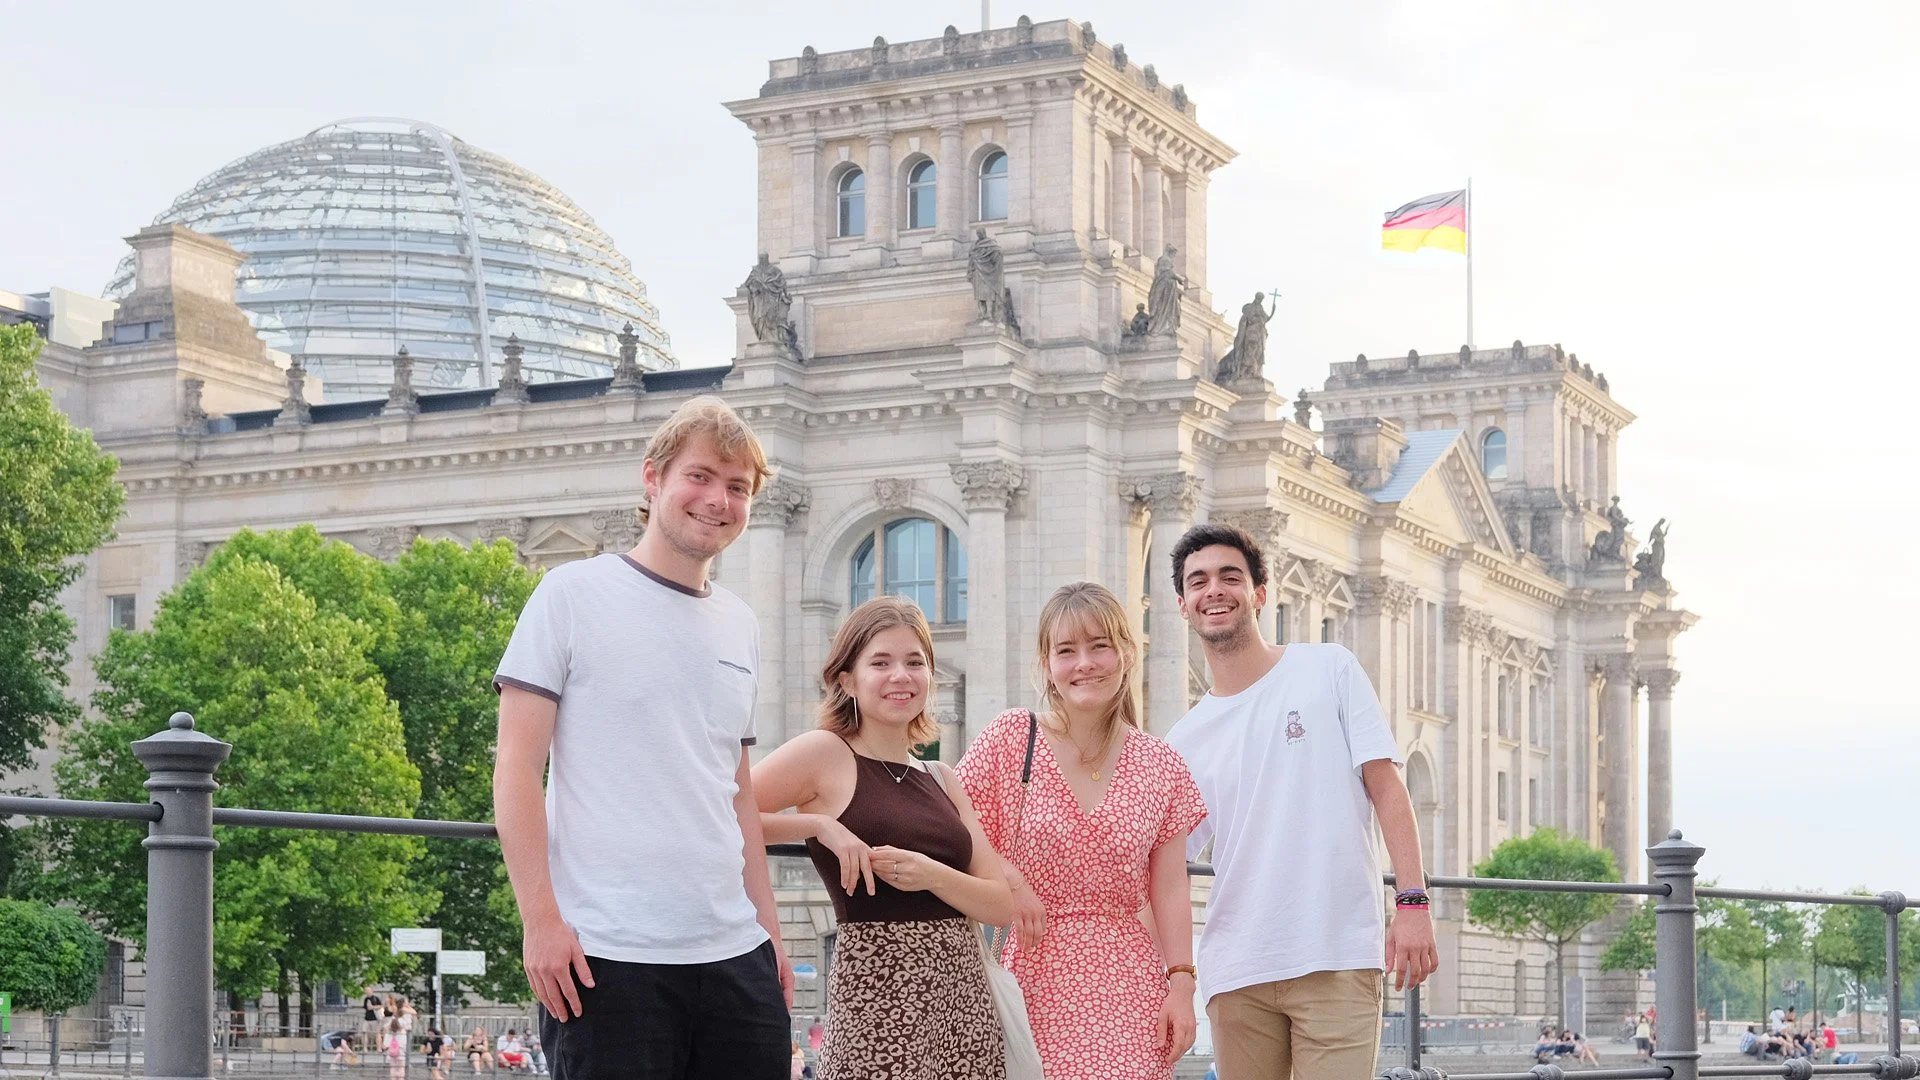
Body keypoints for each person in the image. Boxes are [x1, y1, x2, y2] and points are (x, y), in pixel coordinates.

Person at [494, 397, 792, 1080]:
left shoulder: (741, 623)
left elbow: (736, 793)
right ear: (653, 478)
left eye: (738, 487)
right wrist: (540, 921)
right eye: (700, 476)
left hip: (736, 957)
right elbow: (516, 767)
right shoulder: (569, 594)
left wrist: (769, 933)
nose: (718, 500)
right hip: (607, 956)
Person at [1162, 523, 1438, 1080]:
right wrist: (1174, 976)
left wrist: (1412, 903)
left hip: (1335, 955)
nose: (1214, 590)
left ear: (1259, 594)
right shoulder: (1183, 740)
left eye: (1230, 577)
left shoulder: (1329, 668)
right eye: (1198, 581)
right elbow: (1163, 866)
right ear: (1183, 605)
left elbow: (1387, 788)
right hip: (1236, 969)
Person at [751, 597, 1014, 1080]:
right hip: (877, 997)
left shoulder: (942, 777)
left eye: (915, 662)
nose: (901, 676)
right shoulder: (824, 752)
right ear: (846, 680)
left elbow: (1000, 905)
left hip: (964, 1003)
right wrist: (818, 826)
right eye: (880, 663)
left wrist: (930, 874)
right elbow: (722, 814)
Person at [955, 581, 1209, 1080]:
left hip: (1131, 982)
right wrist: (1011, 878)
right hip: (1033, 974)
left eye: (1099, 646)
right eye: (1066, 650)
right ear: (1046, 663)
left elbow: (1171, 886)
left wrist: (1182, 985)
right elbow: (950, 828)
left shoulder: (1161, 763)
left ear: (1126, 654)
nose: (1084, 663)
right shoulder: (1013, 737)